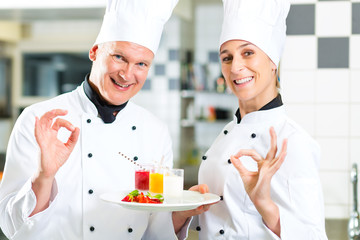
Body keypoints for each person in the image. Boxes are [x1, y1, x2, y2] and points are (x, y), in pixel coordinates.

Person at [0, 0, 208, 239]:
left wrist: (181, 214)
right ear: (94, 51)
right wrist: (44, 176)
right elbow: (10, 225)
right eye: (119, 57)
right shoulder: (39, 119)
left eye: (141, 64)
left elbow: (155, 230)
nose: (127, 74)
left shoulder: (155, 131)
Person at [195, 0, 328, 239]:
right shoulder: (225, 135)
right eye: (227, 58)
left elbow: (313, 235)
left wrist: (264, 204)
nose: (236, 67)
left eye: (248, 53)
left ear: (272, 61)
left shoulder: (291, 142)